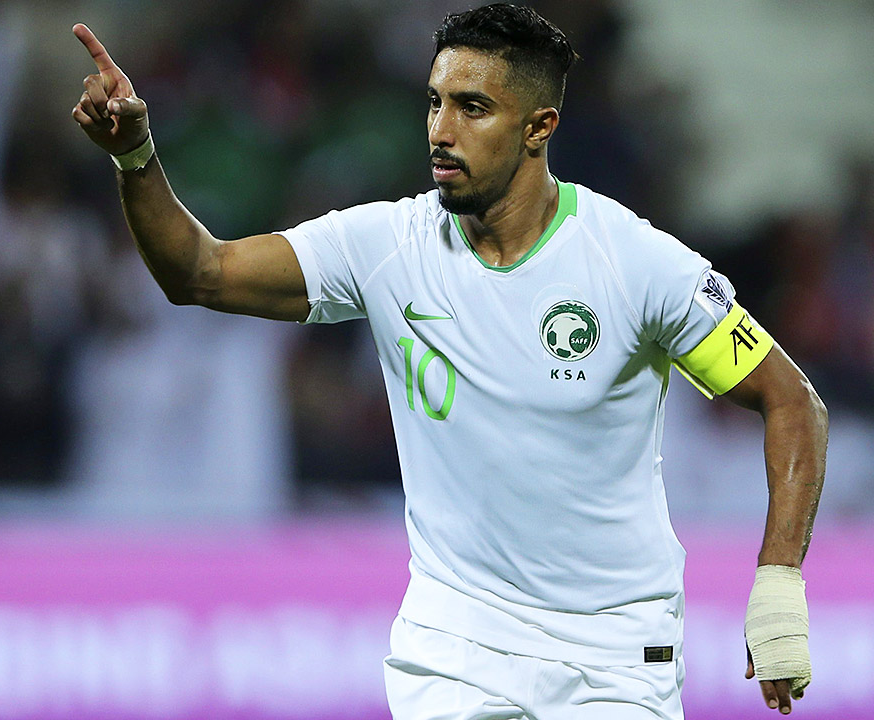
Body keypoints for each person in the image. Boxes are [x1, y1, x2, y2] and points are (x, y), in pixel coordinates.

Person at [70, 5, 827, 718]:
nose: (440, 129)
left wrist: (778, 584)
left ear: (539, 127)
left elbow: (792, 401)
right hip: (455, 646)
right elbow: (199, 272)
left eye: (472, 107)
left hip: (614, 655)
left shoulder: (636, 264)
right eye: (434, 102)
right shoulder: (385, 246)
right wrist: (136, 158)